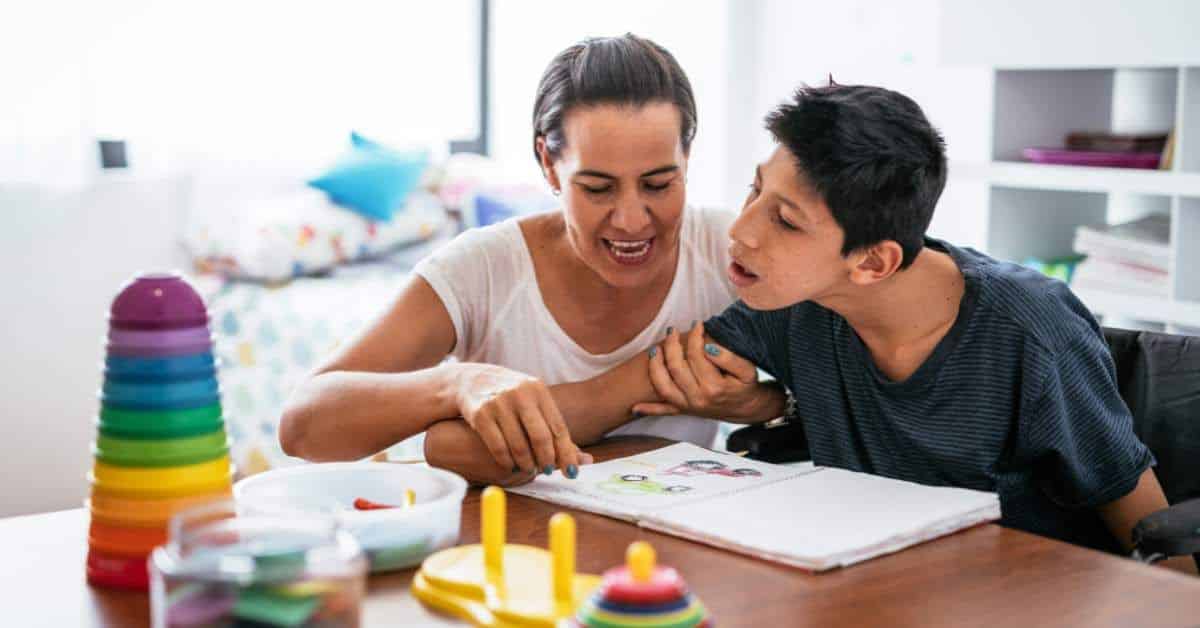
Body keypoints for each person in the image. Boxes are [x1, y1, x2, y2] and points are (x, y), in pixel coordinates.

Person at [635, 81, 1196, 574]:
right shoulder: (795, 298)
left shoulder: (1031, 332)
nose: (743, 228)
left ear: (872, 262)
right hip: (882, 582)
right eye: (755, 189)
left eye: (785, 220)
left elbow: (1154, 536)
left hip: (1030, 597)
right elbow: (627, 389)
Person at [278, 34, 778, 485]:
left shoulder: (729, 251)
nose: (630, 220)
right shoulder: (483, 269)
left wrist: (764, 404)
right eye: (597, 188)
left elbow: (821, 388)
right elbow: (302, 426)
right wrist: (455, 384)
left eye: (658, 184)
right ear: (548, 164)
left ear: (687, 158)